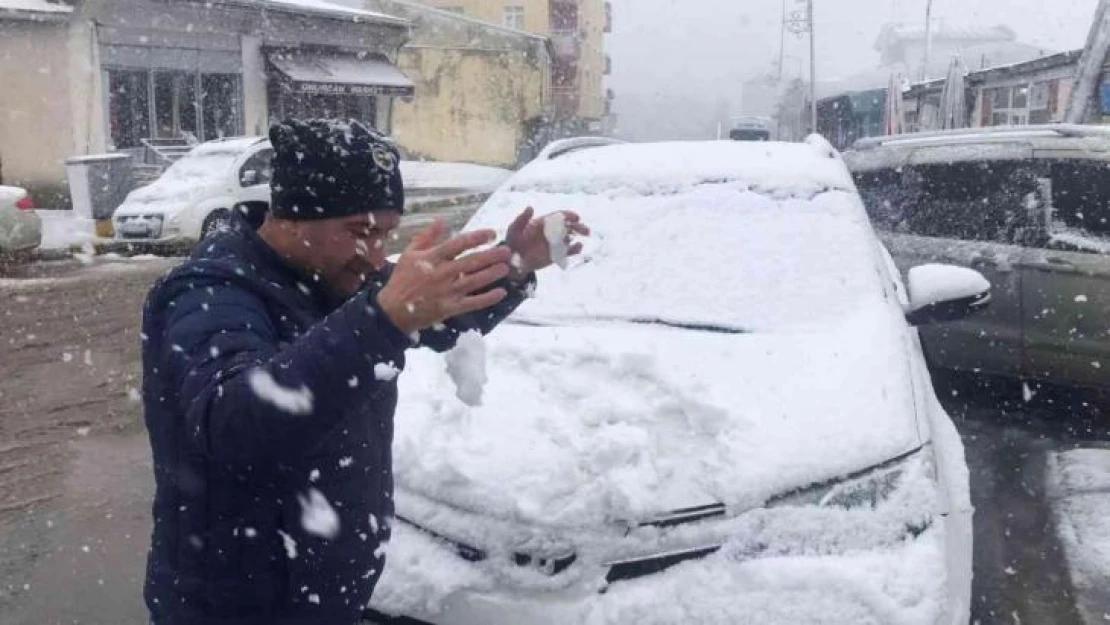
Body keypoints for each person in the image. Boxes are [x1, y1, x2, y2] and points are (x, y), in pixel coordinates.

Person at [140, 118, 589, 625]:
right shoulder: (210, 295)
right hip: (238, 609)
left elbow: (433, 312)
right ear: (292, 217)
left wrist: (513, 266)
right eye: (360, 232)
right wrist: (381, 321)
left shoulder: (332, 274)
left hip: (323, 600)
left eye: (386, 234)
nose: (375, 254)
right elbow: (234, 423)